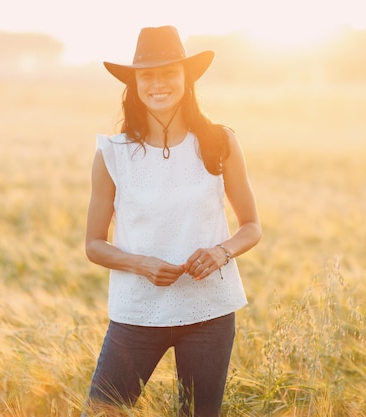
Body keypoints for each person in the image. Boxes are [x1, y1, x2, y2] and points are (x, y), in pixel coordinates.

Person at [83, 26, 262, 417]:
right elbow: (94, 244)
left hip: (209, 313)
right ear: (134, 84)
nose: (158, 84)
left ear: (187, 78)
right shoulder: (113, 154)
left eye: (169, 73)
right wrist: (141, 264)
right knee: (101, 412)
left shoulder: (220, 142)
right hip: (137, 314)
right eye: (147, 75)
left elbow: (251, 227)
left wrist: (220, 252)